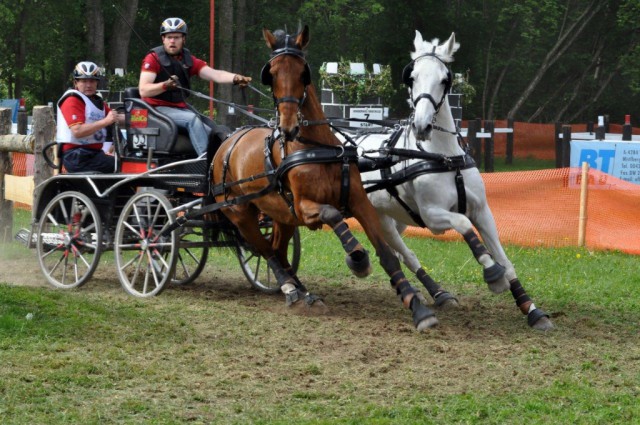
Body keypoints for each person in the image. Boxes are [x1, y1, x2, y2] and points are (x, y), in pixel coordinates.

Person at [138, 17, 251, 156]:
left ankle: (220, 162)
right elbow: (143, 90)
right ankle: (205, 164)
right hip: (155, 110)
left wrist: (235, 78)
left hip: (179, 108)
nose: (172, 41)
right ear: (163, 39)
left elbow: (215, 74)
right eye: (169, 37)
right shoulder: (153, 58)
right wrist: (165, 85)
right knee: (192, 120)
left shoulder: (188, 60)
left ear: (183, 39)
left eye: (176, 37)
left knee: (211, 130)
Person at [56, 61, 124, 173]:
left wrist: (142, 118)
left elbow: (115, 118)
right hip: (77, 156)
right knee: (123, 165)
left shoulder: (96, 102)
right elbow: (77, 131)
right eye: (84, 81)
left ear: (97, 83)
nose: (88, 85)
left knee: (125, 162)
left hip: (93, 154)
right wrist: (105, 121)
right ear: (76, 83)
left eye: (92, 81)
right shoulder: (72, 99)